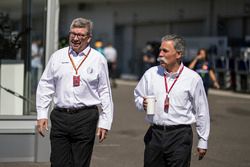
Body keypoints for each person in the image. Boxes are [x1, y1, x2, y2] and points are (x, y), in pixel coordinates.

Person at [36, 18, 113, 167]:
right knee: (58, 163)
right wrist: (42, 114)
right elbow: (46, 85)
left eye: (81, 35)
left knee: (80, 163)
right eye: (73, 34)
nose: (75, 38)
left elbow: (105, 91)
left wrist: (105, 122)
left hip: (85, 117)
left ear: (89, 38)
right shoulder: (58, 56)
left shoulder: (98, 59)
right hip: (60, 116)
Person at [134, 34, 210, 167]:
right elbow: (138, 96)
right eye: (160, 50)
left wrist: (203, 140)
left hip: (180, 136)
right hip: (155, 134)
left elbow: (202, 110)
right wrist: (142, 103)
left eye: (165, 51)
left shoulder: (192, 78)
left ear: (178, 54)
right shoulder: (151, 74)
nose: (160, 54)